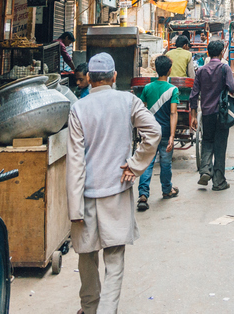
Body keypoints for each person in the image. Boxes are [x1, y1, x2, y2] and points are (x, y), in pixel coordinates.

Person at [67, 53, 161, 314]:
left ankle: (89, 308)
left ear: (89, 79)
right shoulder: (128, 101)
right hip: (116, 192)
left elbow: (75, 161)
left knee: (86, 256)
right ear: (114, 77)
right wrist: (135, 164)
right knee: (114, 260)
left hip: (85, 195)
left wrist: (73, 207)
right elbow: (153, 132)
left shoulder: (78, 108)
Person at [193, 40, 234, 191]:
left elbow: (193, 95)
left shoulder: (201, 71)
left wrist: (193, 115)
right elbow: (232, 87)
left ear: (208, 53)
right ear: (221, 53)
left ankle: (205, 170)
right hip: (222, 113)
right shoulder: (225, 68)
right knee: (220, 145)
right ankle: (218, 182)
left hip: (207, 113)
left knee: (207, 141)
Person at [137, 54, 179, 211]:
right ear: (169, 71)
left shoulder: (147, 88)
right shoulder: (173, 90)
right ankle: (167, 190)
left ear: (155, 69)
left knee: (147, 163)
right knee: (166, 163)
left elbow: (142, 109)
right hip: (166, 132)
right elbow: (173, 114)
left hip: (150, 132)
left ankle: (143, 194)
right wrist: (173, 136)